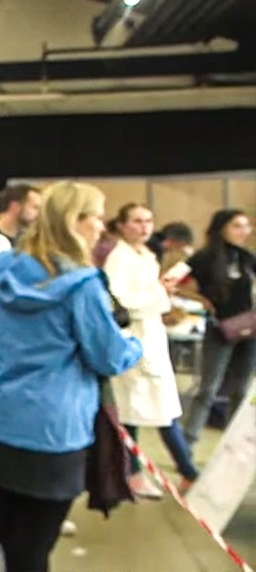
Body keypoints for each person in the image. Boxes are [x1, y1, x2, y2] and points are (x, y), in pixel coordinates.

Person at [0, 182, 143, 572]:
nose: (101, 226)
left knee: (6, 535)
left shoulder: (3, 267)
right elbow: (108, 357)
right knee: (35, 548)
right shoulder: (84, 285)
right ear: (73, 221)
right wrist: (135, 344)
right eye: (96, 217)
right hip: (55, 433)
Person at [103, 204, 199, 497]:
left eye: (148, 221)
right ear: (122, 225)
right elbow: (119, 301)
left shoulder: (146, 255)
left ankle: (184, 471)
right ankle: (138, 473)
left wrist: (162, 292)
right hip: (134, 339)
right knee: (136, 411)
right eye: (136, 221)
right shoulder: (119, 259)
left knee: (161, 409)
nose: (144, 227)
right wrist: (159, 294)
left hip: (153, 336)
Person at [180, 209, 256, 447]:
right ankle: (188, 443)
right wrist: (201, 300)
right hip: (219, 329)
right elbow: (172, 281)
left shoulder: (247, 258)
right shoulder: (204, 257)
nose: (244, 231)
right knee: (208, 389)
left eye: (246, 226)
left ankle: (233, 445)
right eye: (237, 226)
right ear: (222, 228)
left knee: (241, 390)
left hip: (248, 329)